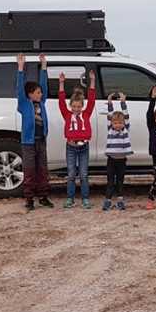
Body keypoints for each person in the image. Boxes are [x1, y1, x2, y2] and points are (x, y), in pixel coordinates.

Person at [15, 53, 53, 211]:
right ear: (30, 94)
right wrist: (20, 67)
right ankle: (29, 198)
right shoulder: (24, 104)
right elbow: (19, 87)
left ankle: (43, 196)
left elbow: (43, 84)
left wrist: (44, 66)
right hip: (28, 143)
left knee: (42, 170)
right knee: (30, 170)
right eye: (37, 92)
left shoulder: (41, 103)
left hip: (40, 141)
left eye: (41, 93)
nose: (41, 94)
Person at [57, 70, 96, 209]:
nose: (76, 109)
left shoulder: (86, 114)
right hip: (71, 147)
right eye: (74, 106)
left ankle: (85, 198)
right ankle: (70, 198)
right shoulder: (67, 115)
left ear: (82, 106)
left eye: (79, 106)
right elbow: (61, 101)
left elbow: (91, 99)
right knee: (71, 173)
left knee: (84, 174)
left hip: (84, 147)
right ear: (70, 106)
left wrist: (92, 81)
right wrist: (61, 83)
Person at [102, 92, 132, 211]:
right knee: (110, 181)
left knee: (120, 181)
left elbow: (126, 115)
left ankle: (120, 200)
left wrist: (123, 102)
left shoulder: (126, 129)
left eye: (120, 123)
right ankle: (108, 200)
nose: (118, 125)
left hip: (122, 160)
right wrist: (110, 103)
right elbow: (109, 115)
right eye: (115, 123)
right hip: (111, 160)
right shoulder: (110, 129)